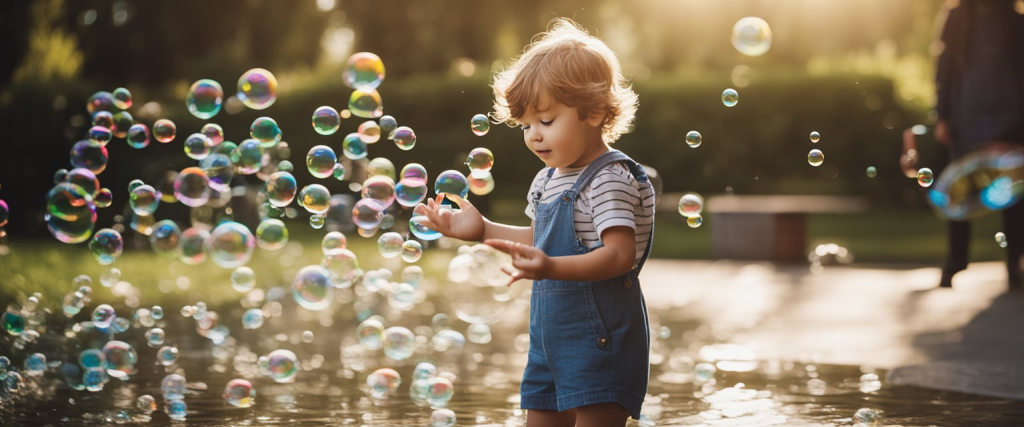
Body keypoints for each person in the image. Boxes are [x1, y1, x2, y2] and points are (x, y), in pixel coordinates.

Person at [415, 18, 655, 426]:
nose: (534, 136)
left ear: (594, 112)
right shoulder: (547, 178)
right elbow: (540, 237)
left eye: (546, 121)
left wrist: (550, 267)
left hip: (602, 340)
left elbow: (618, 255)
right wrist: (483, 231)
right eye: (526, 125)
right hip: (549, 340)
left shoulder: (609, 179)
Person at [923, 0, 1024, 289]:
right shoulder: (956, 17)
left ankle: (1015, 261)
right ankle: (955, 261)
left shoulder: (1016, 20)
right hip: (966, 117)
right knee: (958, 191)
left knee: (1014, 196)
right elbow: (945, 68)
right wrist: (942, 115)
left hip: (1011, 118)